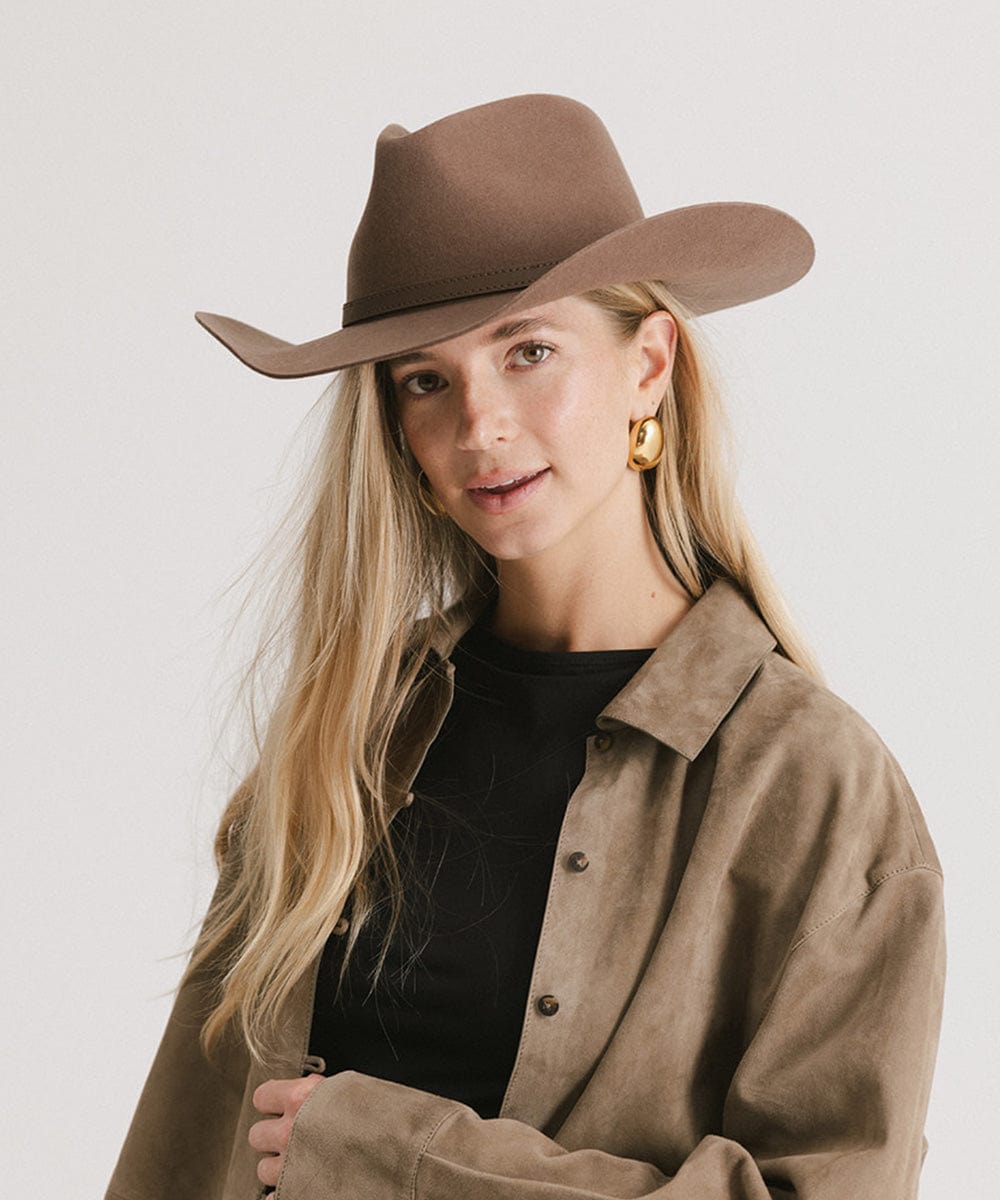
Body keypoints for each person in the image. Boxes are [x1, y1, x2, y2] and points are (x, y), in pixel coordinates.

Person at [106, 94, 944, 1200]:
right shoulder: (349, 728)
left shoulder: (808, 784)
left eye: (530, 351)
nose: (479, 425)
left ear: (650, 363)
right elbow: (185, 1139)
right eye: (425, 380)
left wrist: (398, 1155)